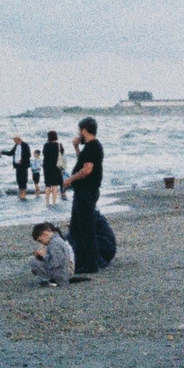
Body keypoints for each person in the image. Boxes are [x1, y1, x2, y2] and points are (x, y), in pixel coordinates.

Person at [68, 117, 107, 274]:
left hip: (87, 191)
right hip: (83, 191)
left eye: (80, 130)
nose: (79, 133)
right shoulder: (89, 147)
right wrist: (76, 148)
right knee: (76, 227)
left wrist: (70, 179)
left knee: (85, 227)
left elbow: (87, 170)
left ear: (84, 130)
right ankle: (82, 260)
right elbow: (82, 162)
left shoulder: (93, 146)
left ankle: (91, 263)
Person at [41, 130, 67, 204]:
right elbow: (62, 154)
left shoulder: (46, 145)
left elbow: (44, 154)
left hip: (46, 167)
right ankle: (54, 201)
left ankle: (47, 202)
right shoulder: (59, 145)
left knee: (47, 185)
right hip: (56, 167)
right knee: (55, 185)